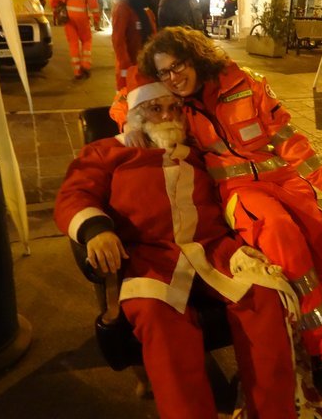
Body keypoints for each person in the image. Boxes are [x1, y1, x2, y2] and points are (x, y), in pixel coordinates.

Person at [55, 68, 298, 418]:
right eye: (156, 108)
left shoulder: (197, 151)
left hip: (213, 250)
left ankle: (271, 411)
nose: (168, 116)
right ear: (136, 116)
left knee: (264, 296)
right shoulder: (107, 152)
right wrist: (96, 230)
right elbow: (73, 195)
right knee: (160, 320)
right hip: (150, 259)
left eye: (174, 108)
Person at [135, 27, 322, 400]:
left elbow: (288, 139)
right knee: (282, 235)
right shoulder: (173, 103)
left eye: (177, 65)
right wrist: (131, 125)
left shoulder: (245, 83)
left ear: (194, 57)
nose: (173, 77)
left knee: (321, 243)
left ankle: (297, 325)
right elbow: (126, 99)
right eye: (163, 72)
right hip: (240, 193)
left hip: (284, 181)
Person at [50, 0, 101, 80]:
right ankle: (86, 65)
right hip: (82, 17)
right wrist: (96, 18)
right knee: (87, 40)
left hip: (67, 17)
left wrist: (56, 15)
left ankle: (77, 71)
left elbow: (53, 1)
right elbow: (92, 1)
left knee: (73, 43)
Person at [111, 0, 157, 91]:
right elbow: (118, 41)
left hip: (146, 67)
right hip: (131, 69)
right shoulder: (123, 7)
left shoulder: (146, 8)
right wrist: (127, 68)